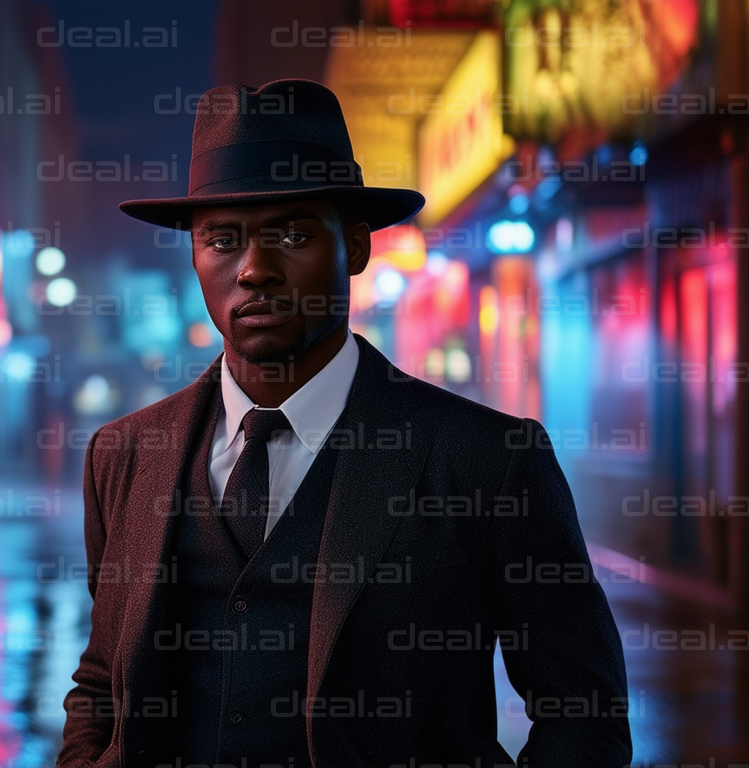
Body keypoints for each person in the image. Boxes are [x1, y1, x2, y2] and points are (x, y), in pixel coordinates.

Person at [57, 79, 631, 768]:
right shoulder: (123, 454)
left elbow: (585, 715)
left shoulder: (489, 460)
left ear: (354, 247)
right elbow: (99, 685)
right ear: (194, 255)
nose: (255, 270)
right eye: (223, 239)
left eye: (293, 233)